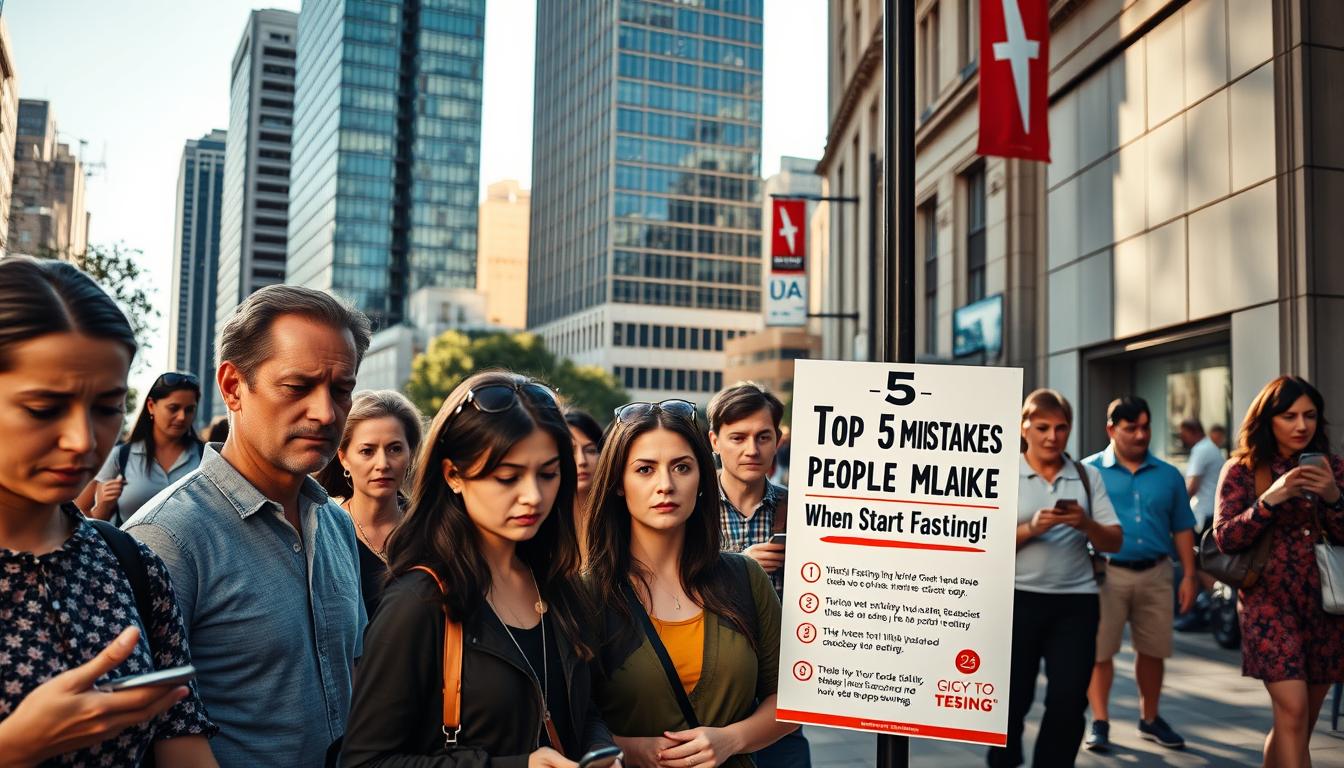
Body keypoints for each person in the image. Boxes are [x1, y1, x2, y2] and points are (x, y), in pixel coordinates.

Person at [124, 285, 370, 767]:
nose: (325, 413)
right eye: (297, 387)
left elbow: (353, 674)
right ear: (234, 387)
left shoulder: (337, 524)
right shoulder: (164, 539)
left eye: (341, 391)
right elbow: (143, 735)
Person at [0, 256, 217, 766]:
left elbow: (184, 744)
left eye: (105, 408)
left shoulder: (131, 564)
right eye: (43, 408)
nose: (81, 441)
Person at [341, 372, 616, 767]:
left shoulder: (559, 583)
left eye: (548, 474)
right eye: (507, 477)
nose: (533, 496)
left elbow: (584, 709)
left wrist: (599, 753)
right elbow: (364, 761)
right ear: (453, 475)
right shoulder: (419, 600)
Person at [587, 398, 797, 768]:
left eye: (682, 467)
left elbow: (793, 699)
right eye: (645, 469)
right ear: (619, 482)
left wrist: (732, 739)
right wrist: (634, 752)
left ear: (702, 477)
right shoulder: (586, 594)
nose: (665, 485)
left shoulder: (745, 578)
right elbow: (566, 720)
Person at [1214, 375, 1344, 768]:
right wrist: (1271, 499)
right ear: (1268, 420)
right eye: (1289, 416)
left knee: (1298, 724)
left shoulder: (1334, 468)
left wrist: (1334, 497)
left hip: (1327, 606)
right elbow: (1225, 538)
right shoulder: (1242, 470)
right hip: (1268, 605)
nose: (1301, 425)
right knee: (1291, 712)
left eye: (1309, 415)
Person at [988, 389, 1122, 768]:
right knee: (1012, 699)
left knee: (1068, 700)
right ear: (1023, 428)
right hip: (1017, 599)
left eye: (1061, 428)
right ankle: (1004, 759)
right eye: (1042, 426)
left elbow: (1115, 539)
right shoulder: (1002, 472)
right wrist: (1030, 528)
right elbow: (983, 542)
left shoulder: (1085, 475)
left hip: (1076, 603)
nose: (1052, 436)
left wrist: (1086, 523)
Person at [1080, 397, 1196, 752]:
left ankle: (1150, 718)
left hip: (1157, 573)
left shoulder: (1168, 475)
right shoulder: (1088, 471)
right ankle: (1100, 721)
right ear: (1111, 429)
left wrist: (1190, 575)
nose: (1140, 434)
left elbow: (1182, 528)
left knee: (1153, 650)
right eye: (1131, 428)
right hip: (1105, 574)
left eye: (1145, 426)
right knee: (1100, 652)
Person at [707, 382, 810, 768]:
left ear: (777, 440)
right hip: (707, 680)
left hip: (779, 685)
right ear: (714, 440)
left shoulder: (801, 509)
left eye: (763, 437)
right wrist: (737, 564)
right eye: (738, 437)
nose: (752, 449)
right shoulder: (688, 507)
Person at [316, 389, 423, 617]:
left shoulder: (432, 529)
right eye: (367, 451)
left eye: (395, 449)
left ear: (410, 454)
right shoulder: (321, 532)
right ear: (343, 457)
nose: (382, 463)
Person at [76, 371, 205, 525]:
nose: (182, 417)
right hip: (127, 548)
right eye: (173, 408)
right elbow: (79, 512)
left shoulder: (205, 456)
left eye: (189, 410)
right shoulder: (121, 456)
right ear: (151, 406)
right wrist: (103, 508)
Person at [1174, 417, 1225, 632]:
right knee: (1201, 563)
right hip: (1209, 514)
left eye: (1183, 434)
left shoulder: (1201, 450)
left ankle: (1217, 599)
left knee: (1192, 564)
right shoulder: (1211, 449)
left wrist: (1173, 508)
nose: (1181, 439)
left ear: (1192, 431)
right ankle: (1212, 603)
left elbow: (1191, 486)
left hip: (1205, 516)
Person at [565, 407, 604, 558]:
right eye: (571, 451)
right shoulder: (541, 524)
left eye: (591, 450)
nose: (581, 461)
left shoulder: (620, 521)